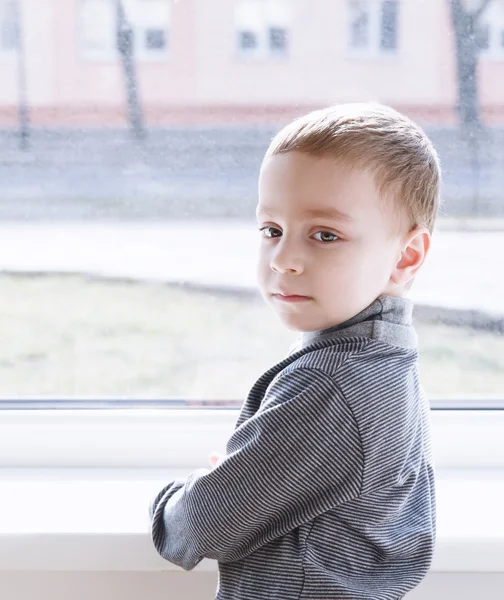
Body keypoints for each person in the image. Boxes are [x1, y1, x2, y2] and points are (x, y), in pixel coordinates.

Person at [148, 102, 439, 600]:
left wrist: (180, 500)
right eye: (272, 231)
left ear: (405, 257)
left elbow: (201, 528)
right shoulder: (386, 360)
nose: (284, 259)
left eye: (325, 235)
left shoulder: (330, 386)